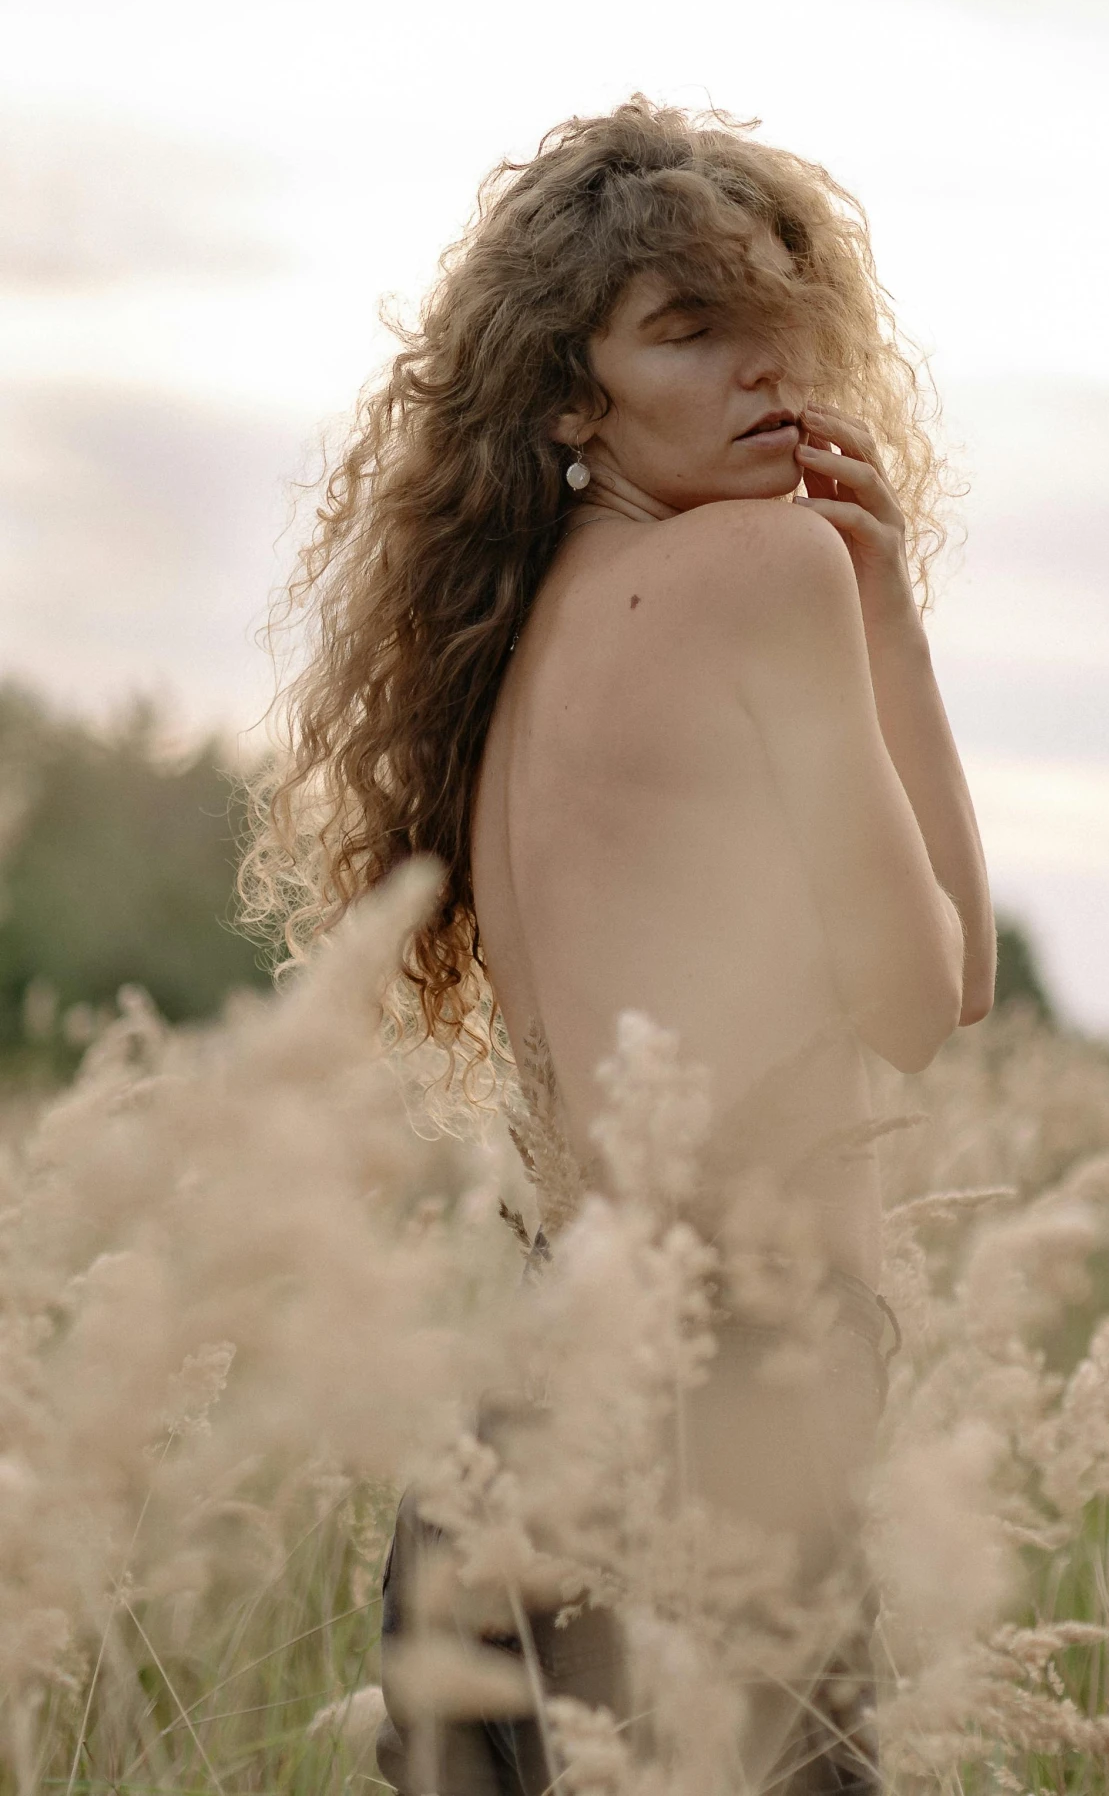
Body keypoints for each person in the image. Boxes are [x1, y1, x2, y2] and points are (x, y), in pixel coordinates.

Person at [244, 98, 994, 1794]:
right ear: (574, 393)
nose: (765, 369)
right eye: (691, 328)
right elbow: (931, 995)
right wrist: (880, 615)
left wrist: (880, 620)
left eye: (781, 322)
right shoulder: (764, 569)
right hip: (714, 1416)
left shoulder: (512, 660)